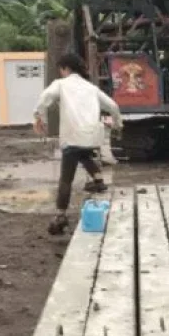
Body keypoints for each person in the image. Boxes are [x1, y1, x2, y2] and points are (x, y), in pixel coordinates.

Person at [33, 52, 123, 235]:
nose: (61, 73)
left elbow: (44, 98)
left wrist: (39, 117)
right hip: (92, 137)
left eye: (61, 70)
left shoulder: (61, 85)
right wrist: (117, 124)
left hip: (73, 136)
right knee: (84, 154)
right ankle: (98, 180)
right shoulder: (91, 88)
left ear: (65, 68)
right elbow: (113, 106)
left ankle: (60, 215)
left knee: (66, 178)